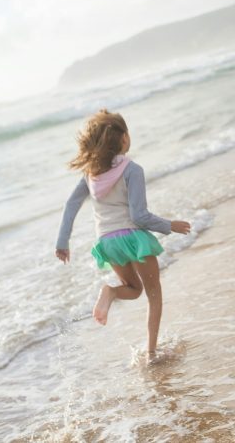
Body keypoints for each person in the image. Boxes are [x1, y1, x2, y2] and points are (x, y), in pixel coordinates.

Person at [55, 109, 191, 360]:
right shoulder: (132, 169)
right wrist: (169, 225)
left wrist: (62, 241)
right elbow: (139, 216)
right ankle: (151, 352)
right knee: (153, 295)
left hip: (107, 243)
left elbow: (71, 205)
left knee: (133, 289)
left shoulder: (90, 175)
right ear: (123, 139)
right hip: (133, 239)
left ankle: (110, 291)